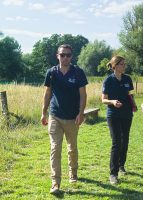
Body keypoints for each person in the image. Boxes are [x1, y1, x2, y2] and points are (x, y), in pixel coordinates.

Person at [41, 44, 88, 194]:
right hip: (55, 115)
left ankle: (73, 172)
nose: (65, 57)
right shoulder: (51, 73)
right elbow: (47, 94)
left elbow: (83, 95)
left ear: (71, 57)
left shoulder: (78, 72)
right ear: (57, 56)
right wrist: (43, 112)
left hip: (72, 117)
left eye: (68, 55)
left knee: (72, 148)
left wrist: (81, 113)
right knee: (55, 148)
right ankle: (55, 183)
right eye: (62, 55)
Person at [101, 55, 136, 185]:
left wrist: (133, 104)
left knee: (125, 140)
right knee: (117, 142)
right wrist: (112, 101)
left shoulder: (127, 79)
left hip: (127, 114)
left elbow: (129, 94)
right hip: (113, 115)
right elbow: (103, 99)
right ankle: (113, 174)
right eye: (122, 64)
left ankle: (121, 166)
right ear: (115, 66)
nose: (124, 66)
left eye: (124, 64)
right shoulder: (108, 81)